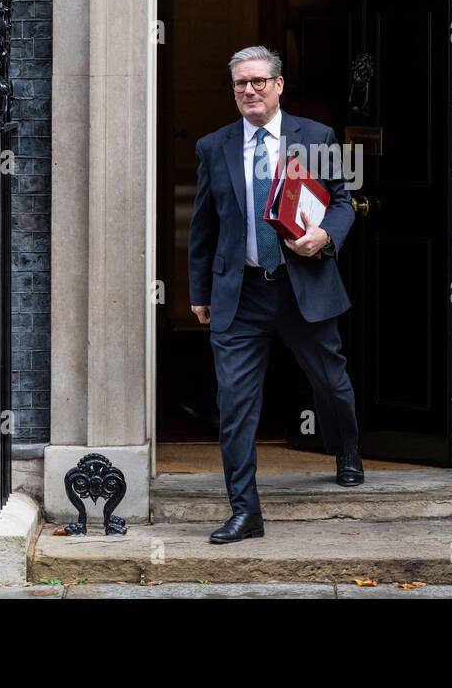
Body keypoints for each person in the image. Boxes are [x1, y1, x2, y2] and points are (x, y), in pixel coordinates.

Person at [188, 45, 363, 544]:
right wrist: (200, 290)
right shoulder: (213, 147)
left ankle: (346, 447)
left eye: (258, 82)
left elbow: (344, 202)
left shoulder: (316, 137)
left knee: (330, 379)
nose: (249, 91)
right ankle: (246, 510)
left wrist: (325, 236)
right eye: (240, 84)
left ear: (279, 85)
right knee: (236, 403)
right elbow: (203, 227)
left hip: (301, 285)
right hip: (239, 294)